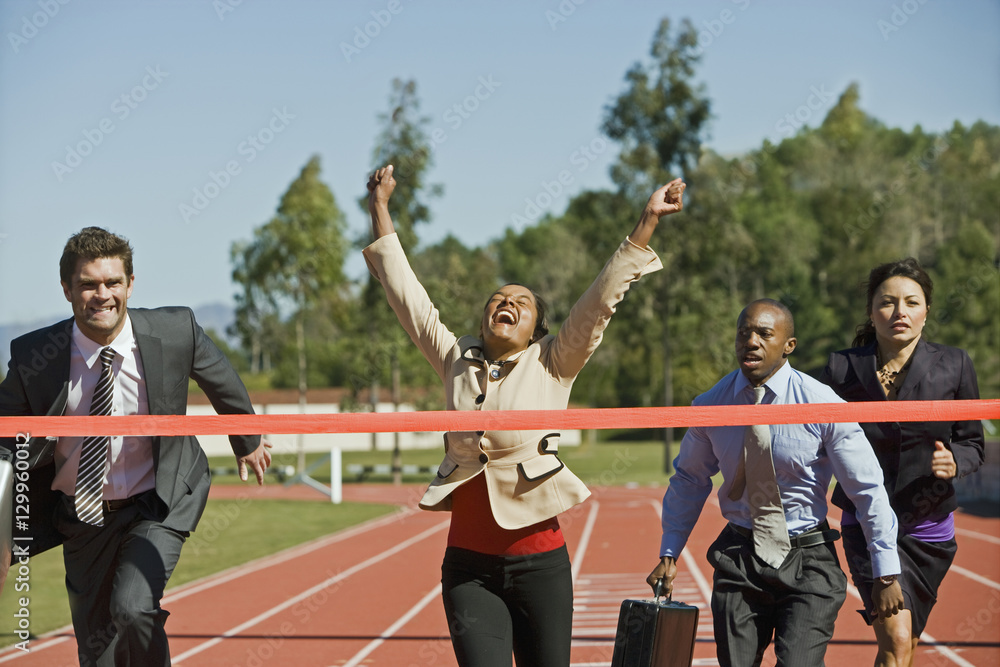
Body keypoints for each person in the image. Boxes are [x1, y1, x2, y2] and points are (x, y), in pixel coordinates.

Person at [364, 164, 683, 667]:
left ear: (537, 327)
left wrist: (647, 220)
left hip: (540, 567)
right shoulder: (455, 359)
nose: (505, 304)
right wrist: (379, 209)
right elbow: (408, 298)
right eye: (497, 300)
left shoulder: (553, 361)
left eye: (520, 302)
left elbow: (598, 303)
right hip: (468, 570)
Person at [0, 227, 272, 666]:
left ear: (130, 284)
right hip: (82, 515)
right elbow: (4, 440)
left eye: (112, 282)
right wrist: (3, 528)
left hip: (158, 501)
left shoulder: (174, 328)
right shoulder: (36, 354)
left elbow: (221, 380)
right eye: (88, 284)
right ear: (67, 288)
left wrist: (248, 440)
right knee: (97, 656)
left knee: (132, 606)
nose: (101, 295)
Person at [646, 298, 904, 667]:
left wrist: (885, 570)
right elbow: (690, 478)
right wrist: (669, 552)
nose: (751, 342)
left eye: (764, 334)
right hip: (739, 557)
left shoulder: (823, 405)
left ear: (789, 346)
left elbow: (866, 489)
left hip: (808, 558)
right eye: (743, 333)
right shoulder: (710, 405)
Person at [820, 258, 984, 667]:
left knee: (903, 644)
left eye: (912, 302)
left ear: (926, 311)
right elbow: (806, 432)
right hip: (867, 522)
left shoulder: (955, 364)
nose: (900, 312)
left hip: (927, 525)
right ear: (871, 311)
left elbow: (973, 443)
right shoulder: (840, 368)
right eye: (888, 302)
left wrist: (955, 462)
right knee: (895, 639)